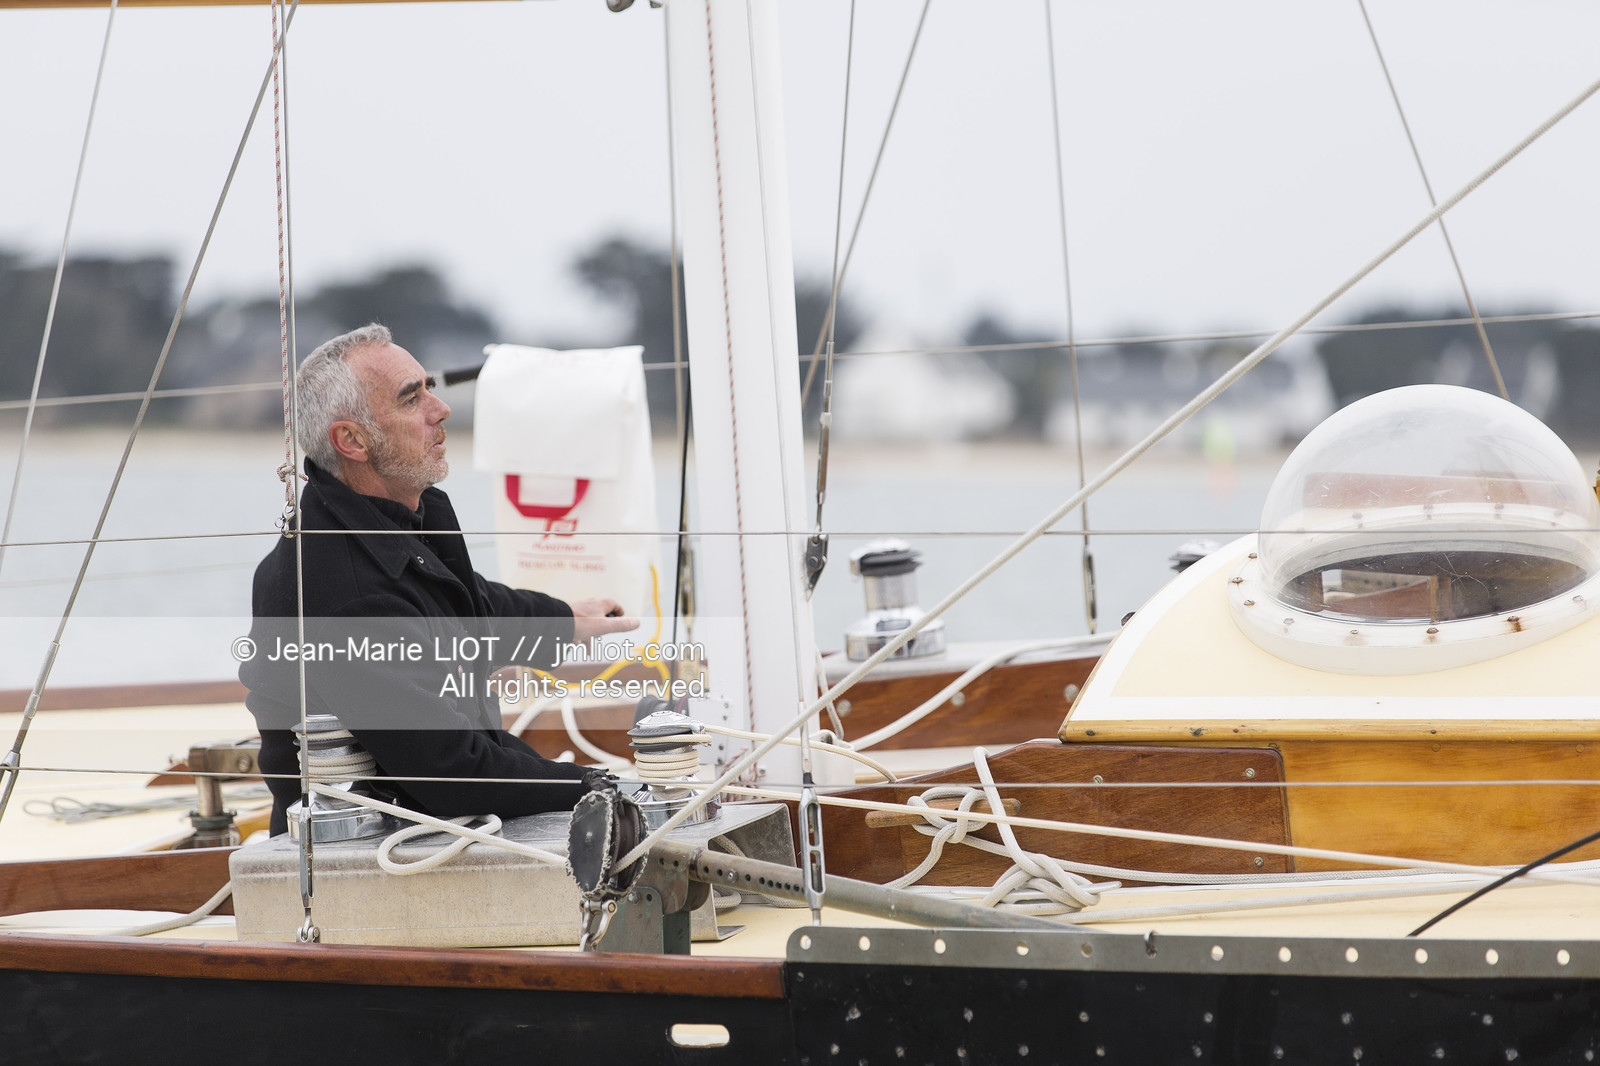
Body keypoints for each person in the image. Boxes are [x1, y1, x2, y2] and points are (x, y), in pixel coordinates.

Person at [240, 323, 637, 834]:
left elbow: (461, 604)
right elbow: (451, 771)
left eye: (429, 387)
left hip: (433, 825)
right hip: (375, 860)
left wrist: (562, 620)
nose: (440, 408)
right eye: (412, 398)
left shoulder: (392, 520)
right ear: (352, 441)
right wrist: (596, 786)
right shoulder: (343, 595)